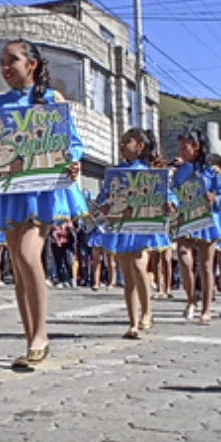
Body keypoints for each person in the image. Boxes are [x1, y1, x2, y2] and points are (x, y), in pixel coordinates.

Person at [0, 39, 86, 369]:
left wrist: (74, 162)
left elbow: (73, 143)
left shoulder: (52, 100)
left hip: (43, 191)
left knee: (28, 254)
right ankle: (31, 341)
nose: (5, 67)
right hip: (11, 190)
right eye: (2, 61)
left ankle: (41, 335)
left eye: (13, 60)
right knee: (19, 266)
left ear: (32, 64)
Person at [93, 128, 170, 339]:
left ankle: (147, 311)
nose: (122, 145)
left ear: (140, 146)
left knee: (138, 264)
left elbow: (167, 194)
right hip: (122, 229)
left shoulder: (151, 172)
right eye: (121, 141)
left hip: (143, 229)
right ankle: (133, 322)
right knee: (127, 276)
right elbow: (105, 197)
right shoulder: (115, 173)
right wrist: (104, 207)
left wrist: (170, 204)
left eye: (127, 141)